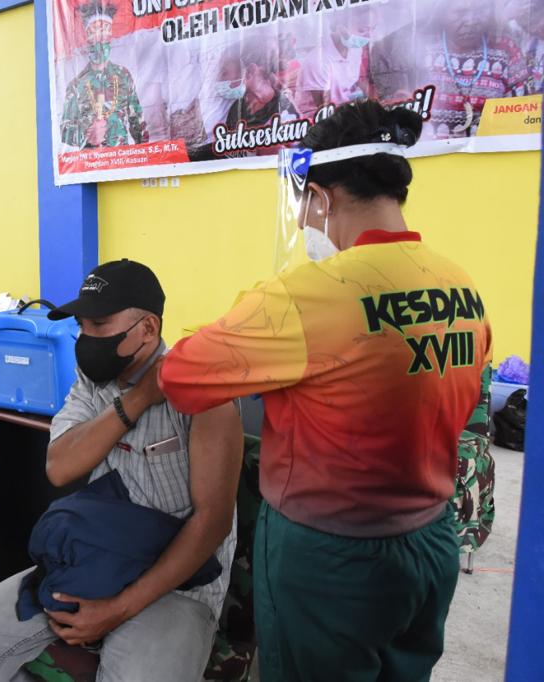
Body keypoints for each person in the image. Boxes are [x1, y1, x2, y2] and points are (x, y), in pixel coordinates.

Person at [159, 101, 492, 681]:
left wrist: (259, 301)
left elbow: (183, 374)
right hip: (431, 543)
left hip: (330, 559)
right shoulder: (459, 284)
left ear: (323, 197)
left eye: (307, 204)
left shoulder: (309, 294)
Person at [0, 259, 242, 682]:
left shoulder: (205, 395)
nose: (85, 338)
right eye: (81, 325)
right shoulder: (92, 382)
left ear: (148, 329)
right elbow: (59, 467)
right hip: (92, 561)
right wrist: (136, 400)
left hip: (177, 585)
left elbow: (213, 523)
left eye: (99, 324)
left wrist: (119, 608)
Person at [369, 0, 528, 139]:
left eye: (481, 9)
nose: (471, 21)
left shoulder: (505, 48)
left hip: (490, 153)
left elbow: (520, 111)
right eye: (460, 12)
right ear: (441, 13)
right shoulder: (419, 47)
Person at [60, 1, 147, 149]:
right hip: (92, 165)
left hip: (121, 160)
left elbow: (137, 122)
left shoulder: (123, 76)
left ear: (110, 39)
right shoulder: (76, 85)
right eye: (95, 38)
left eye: (104, 38)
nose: (100, 43)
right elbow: (65, 131)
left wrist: (146, 157)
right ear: (88, 39)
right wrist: (87, 134)